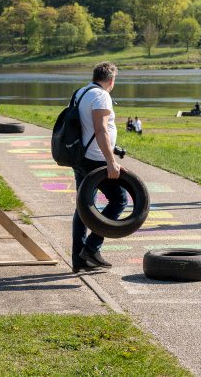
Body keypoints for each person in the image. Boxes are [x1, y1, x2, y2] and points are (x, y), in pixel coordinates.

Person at [70, 62, 127, 273]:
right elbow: (100, 129)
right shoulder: (102, 96)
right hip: (96, 160)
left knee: (84, 207)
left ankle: (78, 259)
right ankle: (91, 248)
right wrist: (111, 161)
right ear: (111, 80)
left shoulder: (81, 92)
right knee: (120, 200)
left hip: (81, 157)